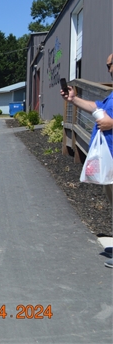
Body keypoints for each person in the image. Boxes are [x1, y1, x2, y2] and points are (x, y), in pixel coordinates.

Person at [61, 53, 113, 268]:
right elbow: (97, 108)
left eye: (110, 64)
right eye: (108, 65)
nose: (108, 69)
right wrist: (74, 99)